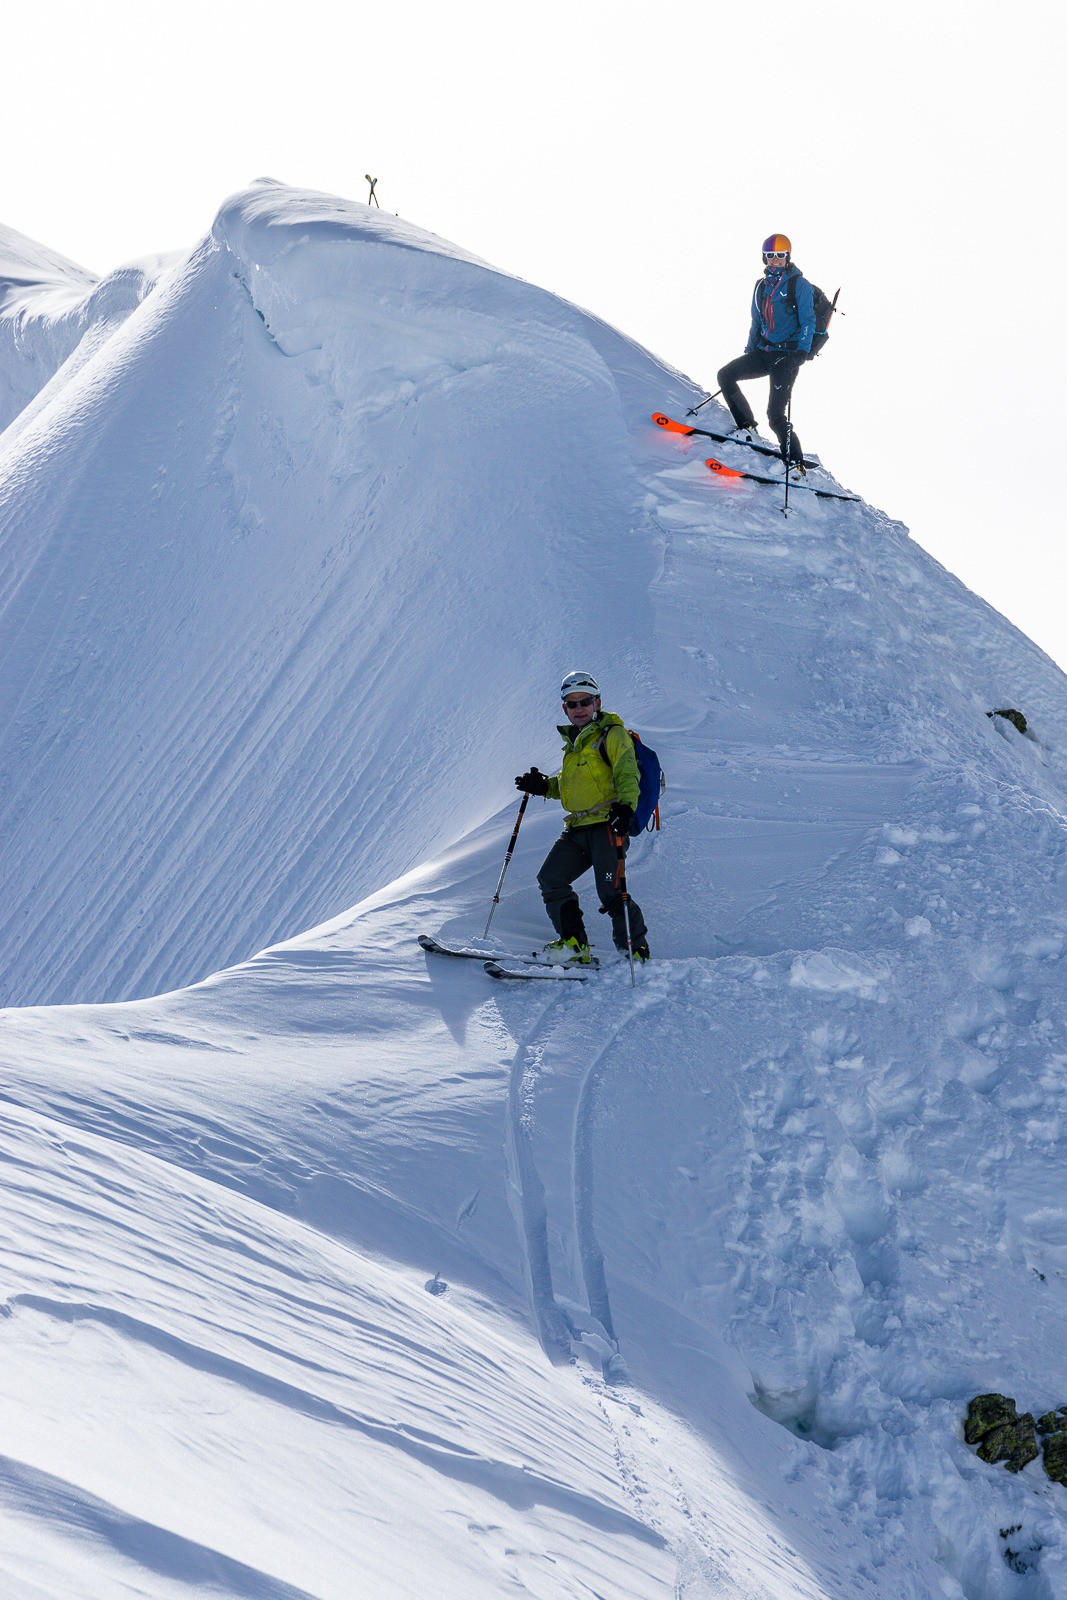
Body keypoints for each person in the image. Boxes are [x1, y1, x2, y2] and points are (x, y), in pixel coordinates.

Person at [516, 671, 651, 965]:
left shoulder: (612, 734)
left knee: (611, 892)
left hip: (607, 825)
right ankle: (575, 945)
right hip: (577, 828)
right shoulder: (574, 743)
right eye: (572, 703)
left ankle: (636, 952)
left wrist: (626, 809)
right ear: (564, 708)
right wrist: (543, 787)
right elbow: (572, 787)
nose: (579, 709)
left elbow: (628, 774)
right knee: (551, 879)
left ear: (597, 703)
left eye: (585, 702)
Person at [717, 233, 815, 468]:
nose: (775, 259)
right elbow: (757, 320)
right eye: (770, 255)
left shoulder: (799, 285)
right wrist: (750, 349)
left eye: (780, 255)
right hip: (763, 352)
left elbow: (808, 321)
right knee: (726, 375)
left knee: (775, 415)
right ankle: (747, 427)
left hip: (787, 356)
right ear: (764, 257)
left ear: (788, 256)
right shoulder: (761, 286)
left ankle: (795, 462)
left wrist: (801, 352)